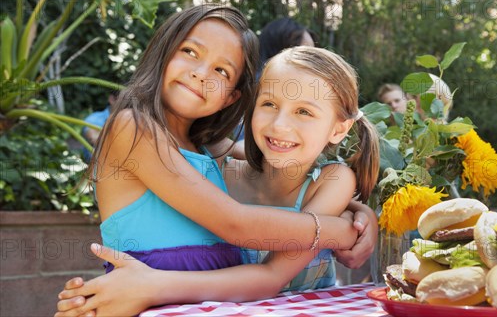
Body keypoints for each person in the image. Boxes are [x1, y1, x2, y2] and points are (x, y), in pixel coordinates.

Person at [56, 46, 380, 316]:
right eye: (269, 105)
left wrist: (355, 213)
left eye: (304, 112)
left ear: (338, 129)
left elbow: (270, 277)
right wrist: (346, 224)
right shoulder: (219, 164)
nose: (280, 125)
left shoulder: (333, 180)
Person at [234, 17, 316, 142]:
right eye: (305, 52)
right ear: (283, 49)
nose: (311, 61)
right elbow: (242, 141)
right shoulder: (261, 86)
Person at [81, 92, 118, 162]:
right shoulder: (94, 119)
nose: (130, 105)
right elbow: (93, 138)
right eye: (126, 101)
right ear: (112, 99)